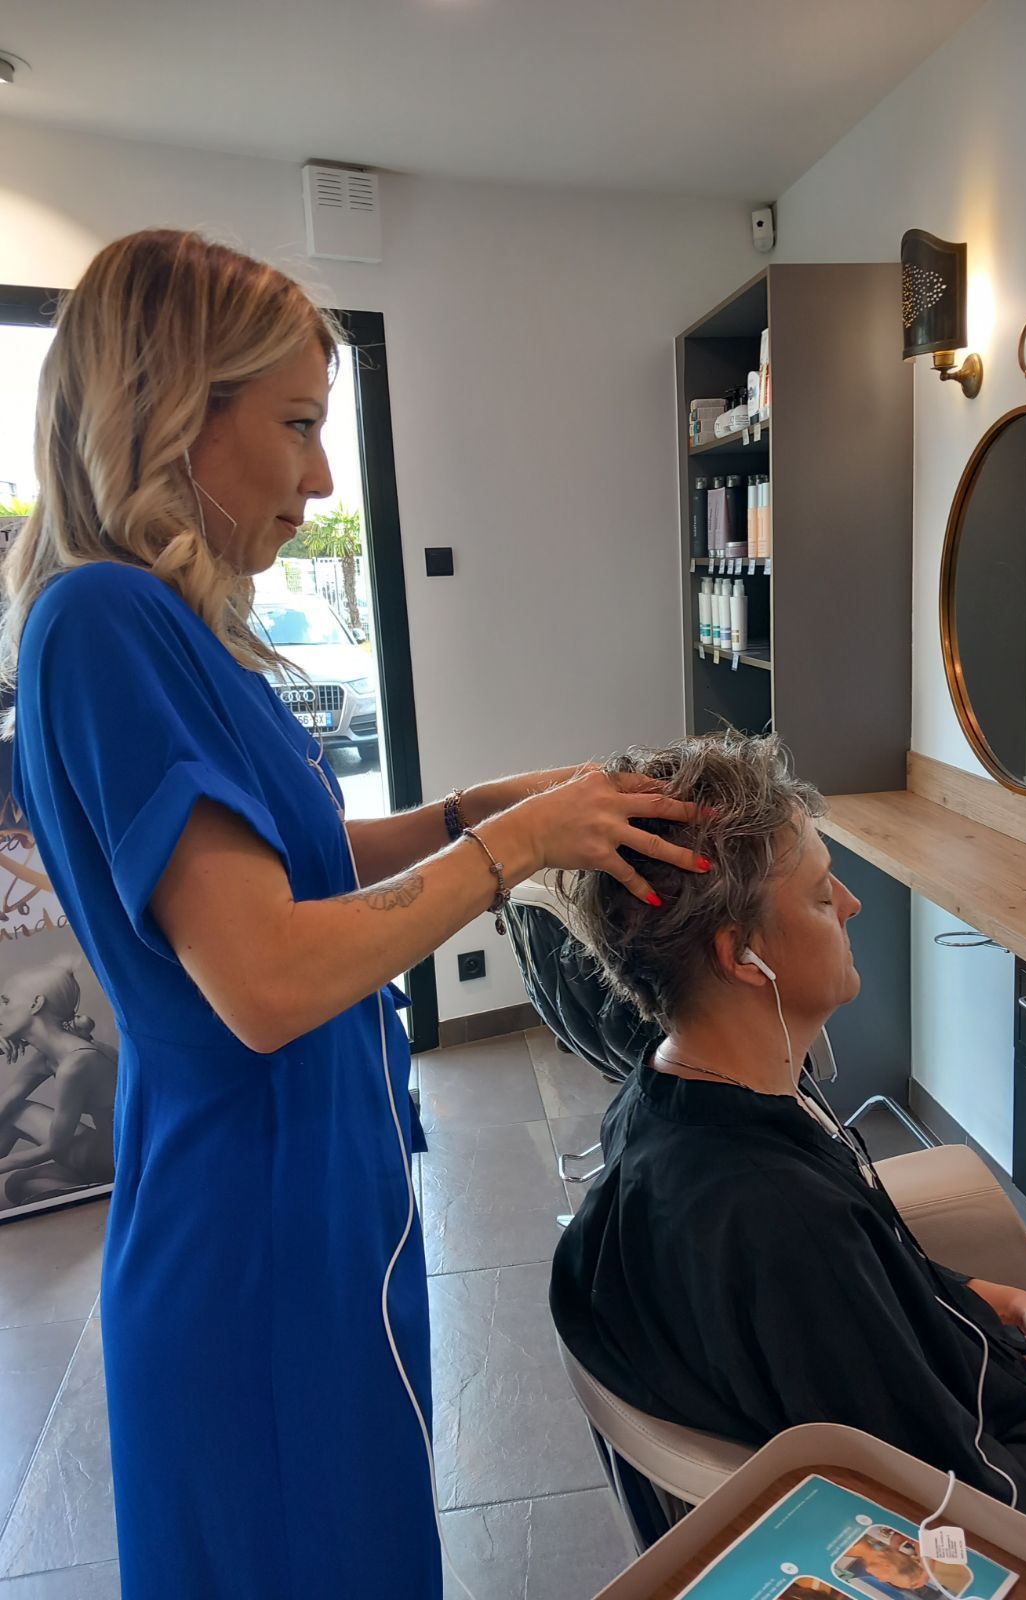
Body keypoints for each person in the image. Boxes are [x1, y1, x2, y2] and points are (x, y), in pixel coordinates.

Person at [2, 229, 710, 1600]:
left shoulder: (182, 636)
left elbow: (305, 860)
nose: (324, 479)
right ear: (169, 407)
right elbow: (263, 972)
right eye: (299, 427)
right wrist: (516, 847)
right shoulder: (100, 625)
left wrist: (498, 803)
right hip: (251, 1236)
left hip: (316, 1196)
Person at [550, 731, 1026, 1564]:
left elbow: (883, 1286)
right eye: (822, 896)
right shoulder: (779, 1225)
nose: (853, 905)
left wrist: (1013, 1303)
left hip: (981, 1372)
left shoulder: (669, 1105)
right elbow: (960, 1532)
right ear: (742, 958)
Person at [0, 953, 117, 1207]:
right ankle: (90, 1188)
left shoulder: (78, 1062)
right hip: (100, 1150)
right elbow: (4, 1106)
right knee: (19, 1184)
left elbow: (53, 1147)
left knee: (22, 1178)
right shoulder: (48, 1056)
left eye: (5, 1001)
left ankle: (104, 1187)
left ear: (36, 1004)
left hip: (114, 1158)